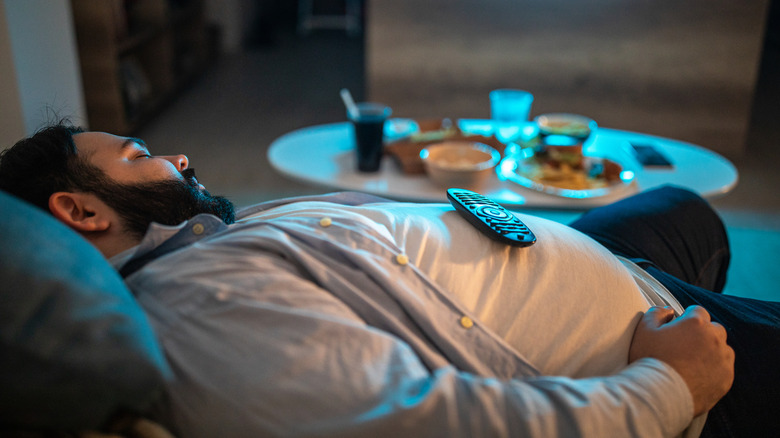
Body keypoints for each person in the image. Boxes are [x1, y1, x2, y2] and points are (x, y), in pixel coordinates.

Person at [0, 124, 776, 437]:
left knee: (681, 205)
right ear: (81, 210)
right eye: (139, 155)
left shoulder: (206, 249)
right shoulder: (197, 310)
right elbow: (444, 426)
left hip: (605, 264)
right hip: (673, 345)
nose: (180, 160)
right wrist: (673, 384)